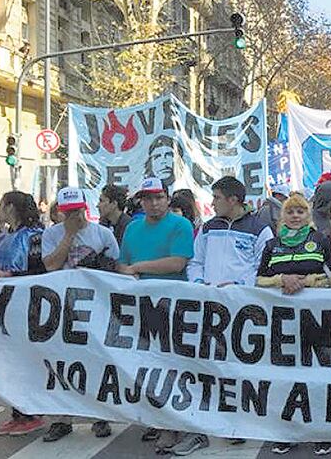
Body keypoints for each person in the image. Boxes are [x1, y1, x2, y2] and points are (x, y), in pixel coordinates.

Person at [116, 178, 200, 455]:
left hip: (174, 307)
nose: (153, 203)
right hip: (141, 306)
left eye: (158, 197)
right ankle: (163, 421)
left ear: (167, 198)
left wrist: (138, 267)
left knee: (176, 365)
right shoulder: (132, 228)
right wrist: (127, 270)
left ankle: (183, 426)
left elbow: (177, 262)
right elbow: (121, 262)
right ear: (140, 201)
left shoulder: (180, 225)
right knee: (148, 364)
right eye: (148, 198)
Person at [256, 194, 331, 456]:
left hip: (317, 321)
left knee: (318, 377)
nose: (295, 216)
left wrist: (309, 282)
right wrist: (282, 279)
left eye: (300, 212)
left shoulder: (320, 241)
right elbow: (259, 279)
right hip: (281, 323)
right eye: (290, 212)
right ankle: (288, 431)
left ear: (309, 216)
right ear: (283, 216)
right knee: (285, 378)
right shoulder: (272, 244)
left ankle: (321, 433)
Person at [41, 187, 120, 443]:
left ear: (85, 208)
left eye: (76, 211)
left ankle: (100, 416)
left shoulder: (102, 233)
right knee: (61, 362)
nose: (72, 216)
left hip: (95, 307)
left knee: (97, 361)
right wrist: (69, 235)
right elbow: (51, 264)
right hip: (63, 306)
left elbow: (115, 269)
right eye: (67, 212)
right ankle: (62, 419)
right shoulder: (52, 234)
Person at [0, 191, 47, 436]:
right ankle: (18, 411)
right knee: (10, 361)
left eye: (1, 205)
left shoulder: (35, 237)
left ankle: (32, 412)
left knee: (28, 360)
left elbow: (39, 270)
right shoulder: (3, 237)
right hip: (4, 306)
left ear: (11, 207)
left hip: (29, 305)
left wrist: (11, 276)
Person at [188, 176, 273, 288]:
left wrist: (239, 285)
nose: (212, 203)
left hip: (244, 300)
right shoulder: (207, 227)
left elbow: (264, 267)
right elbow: (195, 262)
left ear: (233, 200)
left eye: (217, 198)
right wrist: (198, 282)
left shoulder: (260, 229)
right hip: (209, 298)